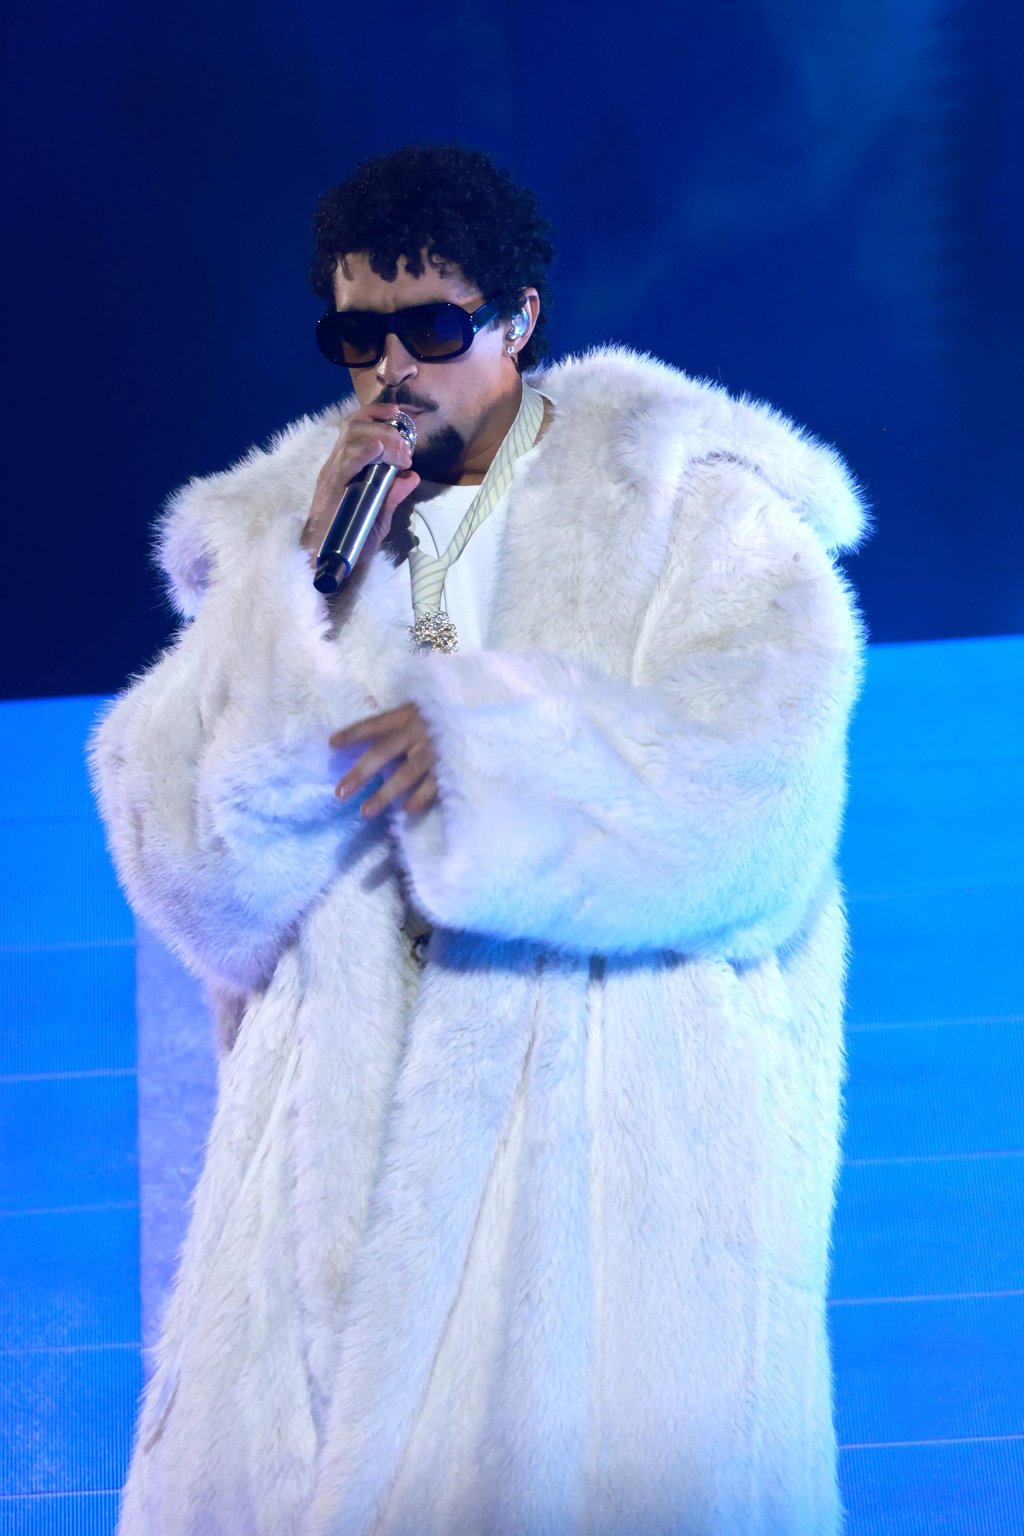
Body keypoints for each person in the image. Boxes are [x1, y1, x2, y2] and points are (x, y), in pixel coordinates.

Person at [92, 142, 869, 1536]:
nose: (395, 366)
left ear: (515, 317)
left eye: (435, 328)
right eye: (359, 333)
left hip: (592, 1198)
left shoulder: (688, 504)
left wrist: (500, 749)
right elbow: (193, 879)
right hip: (325, 1195)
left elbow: (766, 795)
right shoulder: (279, 541)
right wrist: (304, 600)